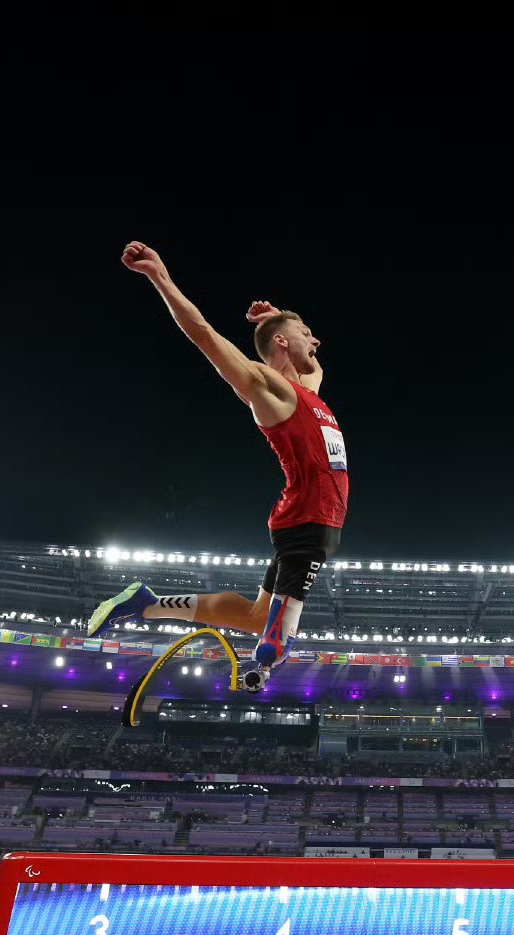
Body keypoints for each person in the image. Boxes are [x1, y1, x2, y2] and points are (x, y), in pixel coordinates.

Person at [87, 241, 349, 688]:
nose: (317, 340)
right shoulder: (267, 387)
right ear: (284, 342)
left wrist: (277, 318)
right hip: (309, 522)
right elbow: (205, 334)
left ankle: (145, 602)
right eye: (307, 332)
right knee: (275, 635)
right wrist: (161, 278)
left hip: (306, 519)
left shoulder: (309, 390)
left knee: (252, 616)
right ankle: (264, 662)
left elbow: (309, 360)